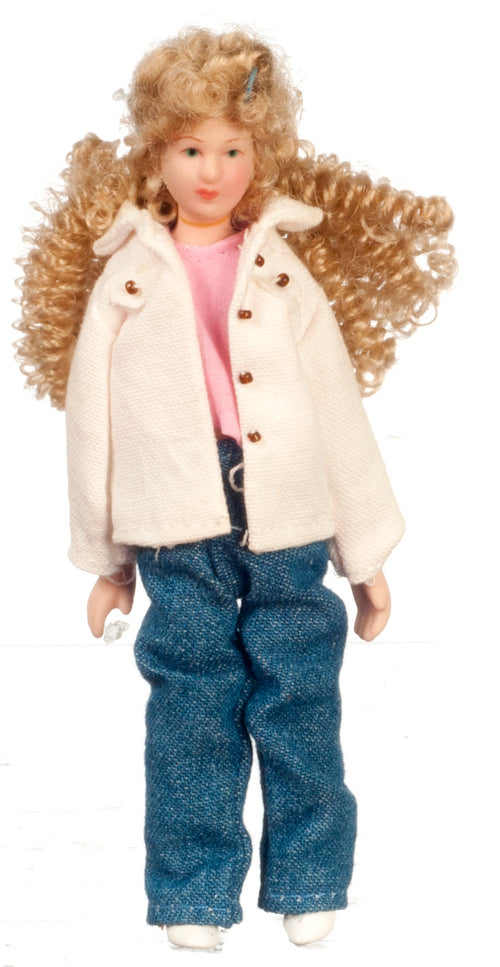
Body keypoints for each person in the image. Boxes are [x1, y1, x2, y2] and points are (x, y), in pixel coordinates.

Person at [15, 27, 455, 949]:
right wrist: (105, 561)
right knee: (189, 707)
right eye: (189, 149)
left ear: (261, 154)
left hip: (287, 508)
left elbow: (335, 408)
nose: (210, 171)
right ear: (156, 155)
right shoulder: (127, 275)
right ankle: (193, 890)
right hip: (174, 517)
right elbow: (92, 426)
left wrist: (365, 553)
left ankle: (309, 873)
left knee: (299, 695)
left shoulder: (282, 267)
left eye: (230, 149)